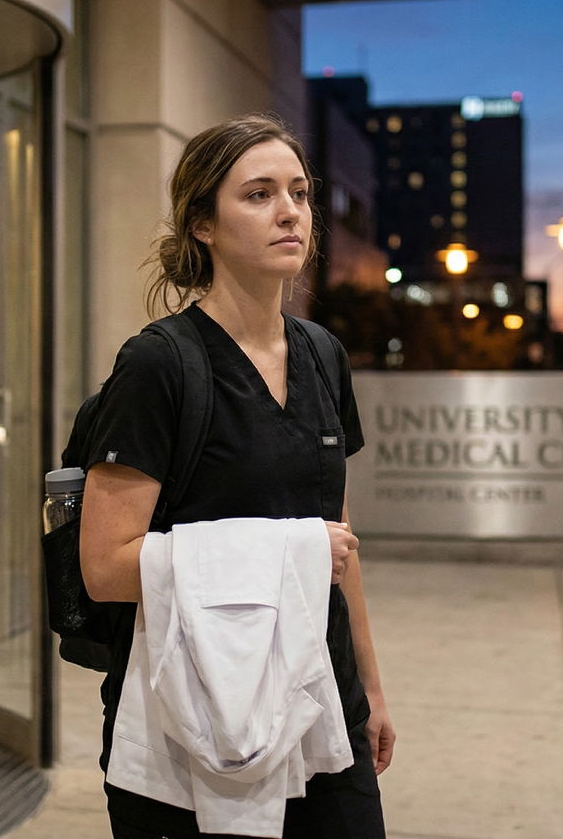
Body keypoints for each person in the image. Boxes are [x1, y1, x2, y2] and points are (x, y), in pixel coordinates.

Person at [78, 113, 394, 839]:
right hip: (192, 710)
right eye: (258, 194)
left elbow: (338, 550)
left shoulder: (323, 355)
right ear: (202, 226)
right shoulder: (159, 366)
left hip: (320, 698)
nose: (291, 212)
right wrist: (285, 552)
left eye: (300, 192)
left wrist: (369, 688)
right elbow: (104, 568)